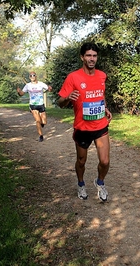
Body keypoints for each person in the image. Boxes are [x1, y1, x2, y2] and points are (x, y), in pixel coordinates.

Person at [57, 42, 112, 202]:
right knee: (81, 161)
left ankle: (100, 182)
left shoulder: (102, 75)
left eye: (94, 56)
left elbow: (100, 94)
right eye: (88, 55)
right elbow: (60, 102)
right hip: (82, 127)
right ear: (82, 57)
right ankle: (81, 184)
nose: (92, 59)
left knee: (105, 160)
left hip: (100, 124)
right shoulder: (73, 77)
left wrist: (105, 107)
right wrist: (67, 98)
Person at [17, 71, 52, 142]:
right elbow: (21, 94)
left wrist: (50, 88)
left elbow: (49, 89)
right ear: (29, 77)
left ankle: (42, 124)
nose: (32, 76)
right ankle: (41, 136)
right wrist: (19, 91)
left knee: (44, 122)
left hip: (41, 104)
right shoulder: (28, 85)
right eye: (31, 76)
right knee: (38, 120)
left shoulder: (41, 84)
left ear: (36, 76)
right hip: (33, 105)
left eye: (33, 75)